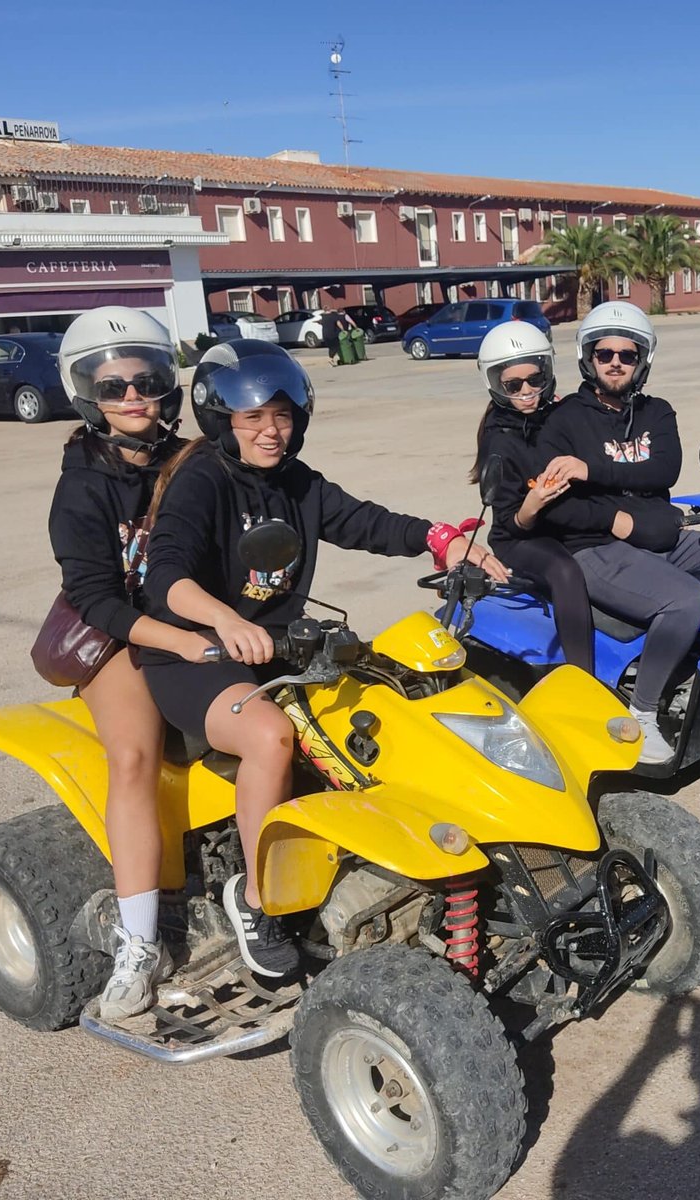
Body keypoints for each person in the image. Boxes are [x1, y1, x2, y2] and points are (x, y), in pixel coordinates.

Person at [139, 340, 506, 975]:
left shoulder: (296, 483)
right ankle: (255, 897)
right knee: (272, 736)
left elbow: (363, 520)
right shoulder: (202, 480)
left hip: (278, 649)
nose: (271, 431)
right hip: (194, 655)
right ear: (221, 420)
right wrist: (225, 619)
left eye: (281, 416)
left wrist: (439, 540)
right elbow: (164, 576)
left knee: (388, 706)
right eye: (252, 418)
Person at [49, 306, 218, 1019]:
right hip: (120, 633)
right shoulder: (82, 486)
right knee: (135, 759)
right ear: (85, 392)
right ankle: (139, 943)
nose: (133, 396)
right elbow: (94, 594)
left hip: (199, 616)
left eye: (146, 380)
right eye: (112, 385)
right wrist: (172, 638)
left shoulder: (200, 461)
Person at [532, 302, 700, 765]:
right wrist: (617, 513)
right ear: (588, 358)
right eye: (605, 354)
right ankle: (641, 713)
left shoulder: (657, 413)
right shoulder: (562, 422)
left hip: (657, 533)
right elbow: (561, 505)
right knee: (685, 600)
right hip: (593, 547)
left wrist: (591, 469)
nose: (616, 362)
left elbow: (665, 468)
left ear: (643, 360)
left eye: (628, 353)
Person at [469, 321, 596, 675]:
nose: (527, 391)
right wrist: (533, 503)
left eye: (535, 380)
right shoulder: (499, 440)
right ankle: (583, 678)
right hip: (521, 537)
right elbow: (511, 520)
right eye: (513, 384)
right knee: (566, 571)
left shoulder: (556, 415)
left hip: (564, 521)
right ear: (495, 384)